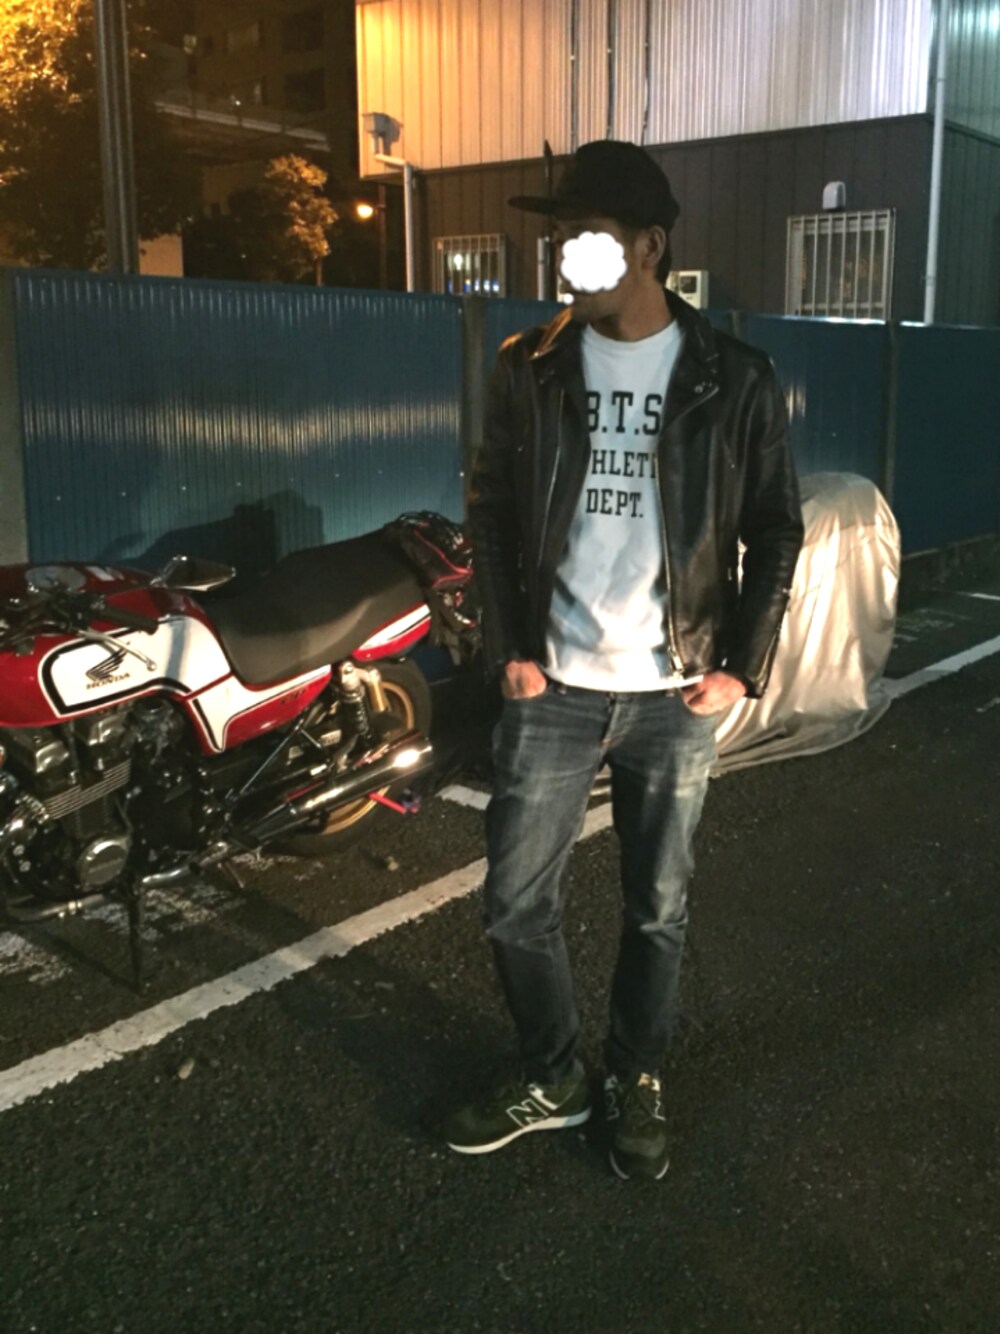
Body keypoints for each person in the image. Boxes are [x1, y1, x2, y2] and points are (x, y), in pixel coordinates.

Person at [446, 139, 804, 1180]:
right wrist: (508, 650)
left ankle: (635, 1074)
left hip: (672, 691)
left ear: (648, 246)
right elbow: (490, 510)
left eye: (588, 239)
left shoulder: (733, 377)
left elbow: (775, 528)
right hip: (551, 686)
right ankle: (554, 1073)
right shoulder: (529, 365)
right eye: (560, 241)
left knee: (657, 908)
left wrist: (741, 665)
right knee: (515, 905)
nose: (567, 259)